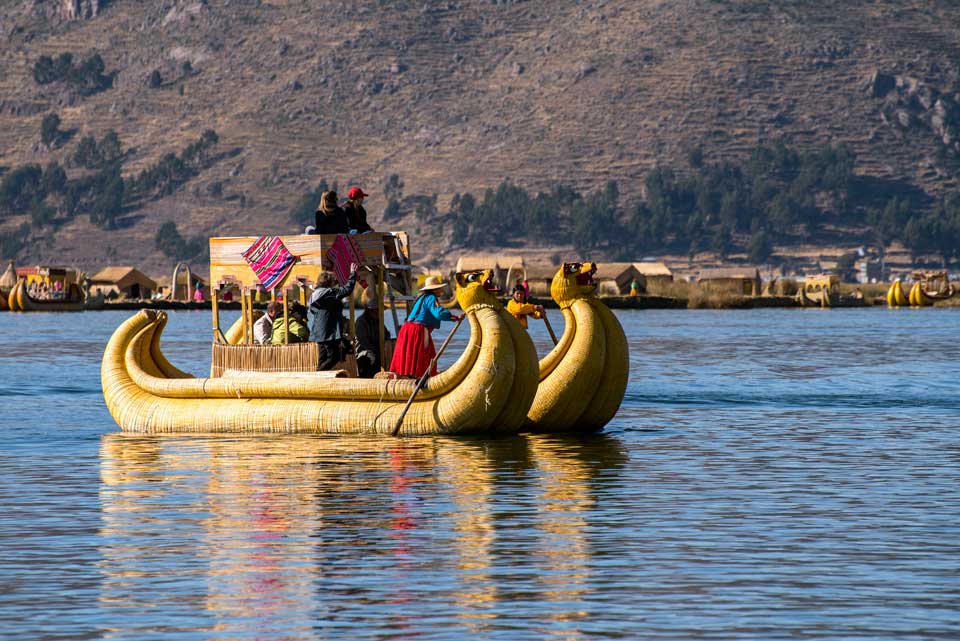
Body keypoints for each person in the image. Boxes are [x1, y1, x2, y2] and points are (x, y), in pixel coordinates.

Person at [390, 275, 462, 378]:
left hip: (406, 329)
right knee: (426, 355)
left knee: (410, 356)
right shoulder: (432, 298)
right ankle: (420, 379)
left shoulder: (421, 298)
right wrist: (454, 317)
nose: (441, 290)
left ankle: (410, 377)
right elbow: (438, 313)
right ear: (435, 289)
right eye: (439, 288)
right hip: (418, 329)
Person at [309, 263, 358, 370]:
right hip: (328, 332)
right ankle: (318, 374)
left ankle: (319, 381)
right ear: (329, 282)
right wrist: (353, 273)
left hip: (318, 331)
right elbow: (347, 290)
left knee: (323, 358)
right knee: (334, 357)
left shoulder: (315, 294)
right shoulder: (329, 293)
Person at [355, 289, 390, 377]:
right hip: (363, 352)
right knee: (370, 357)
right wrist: (375, 350)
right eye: (377, 310)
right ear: (371, 310)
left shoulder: (378, 321)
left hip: (377, 350)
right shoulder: (361, 322)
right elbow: (363, 341)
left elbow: (386, 334)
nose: (379, 313)